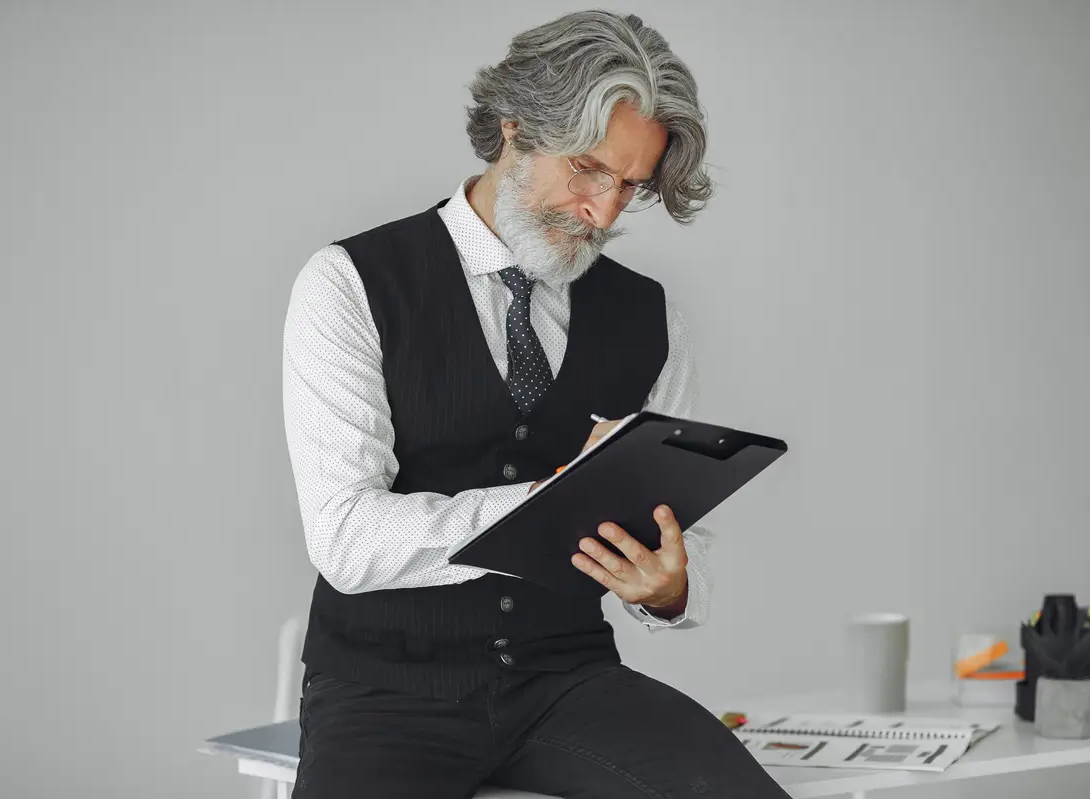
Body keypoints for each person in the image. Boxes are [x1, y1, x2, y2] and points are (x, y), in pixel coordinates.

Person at [281, 9, 791, 798]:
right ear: (514, 127)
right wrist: (548, 500)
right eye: (588, 168)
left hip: (567, 682)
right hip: (385, 696)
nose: (605, 211)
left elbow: (685, 534)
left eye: (630, 185)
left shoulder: (648, 314)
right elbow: (346, 538)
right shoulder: (348, 284)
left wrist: (669, 590)